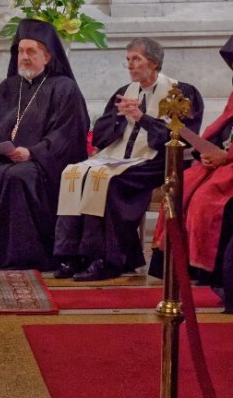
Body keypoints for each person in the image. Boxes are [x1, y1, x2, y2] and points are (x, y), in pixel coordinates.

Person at [54, 38, 203, 281]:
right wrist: (120, 118)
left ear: (153, 63)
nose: (130, 65)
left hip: (159, 161)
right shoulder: (124, 92)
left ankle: (108, 259)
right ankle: (72, 255)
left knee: (110, 184)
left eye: (136, 59)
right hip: (120, 157)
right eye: (128, 59)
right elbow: (102, 134)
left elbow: (182, 137)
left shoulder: (180, 93)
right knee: (74, 173)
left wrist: (142, 117)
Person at [0, 20, 89, 271]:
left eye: (31, 52)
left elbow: (67, 136)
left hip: (43, 166)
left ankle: (23, 256)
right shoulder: (7, 88)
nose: (24, 57)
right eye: (20, 51)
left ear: (48, 56)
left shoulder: (64, 89)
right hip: (5, 159)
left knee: (18, 176)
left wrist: (33, 153)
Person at [150, 35, 233, 308]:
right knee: (180, 187)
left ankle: (205, 269)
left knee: (207, 198)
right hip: (222, 159)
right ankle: (180, 266)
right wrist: (208, 152)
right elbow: (222, 126)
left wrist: (225, 155)